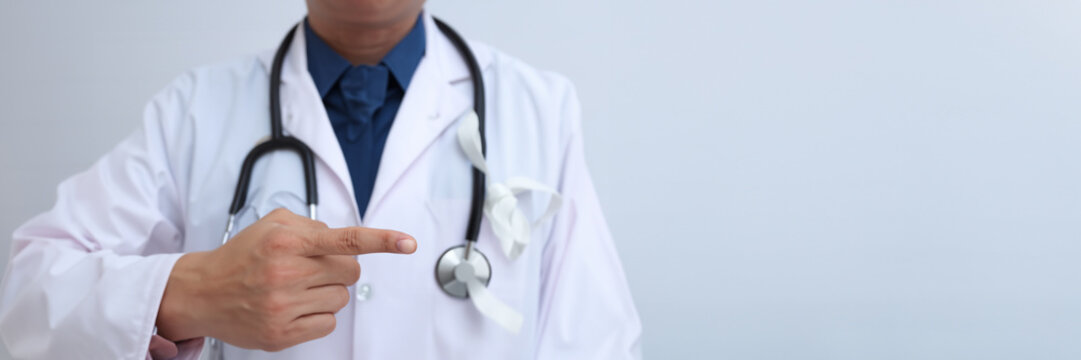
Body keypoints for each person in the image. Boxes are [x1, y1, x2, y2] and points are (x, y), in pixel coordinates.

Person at [0, 1, 641, 359]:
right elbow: (26, 301)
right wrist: (183, 292)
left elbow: (598, 343)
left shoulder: (540, 108)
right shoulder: (193, 111)